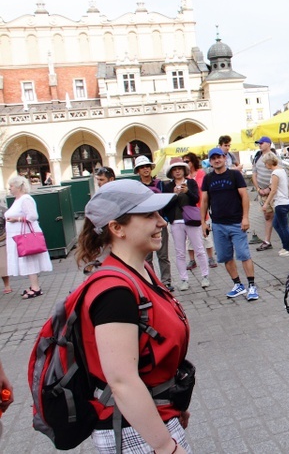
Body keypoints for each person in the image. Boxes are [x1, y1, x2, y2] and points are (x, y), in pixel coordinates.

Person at [75, 179, 191, 454]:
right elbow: (122, 382)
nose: (162, 222)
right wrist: (164, 446)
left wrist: (173, 405)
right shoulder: (115, 291)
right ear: (117, 228)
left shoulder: (140, 271)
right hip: (133, 430)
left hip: (152, 418)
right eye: (149, 215)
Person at [201, 148, 259, 301]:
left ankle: (252, 286)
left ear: (224, 157)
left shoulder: (235, 175)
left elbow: (244, 196)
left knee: (244, 254)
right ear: (210, 161)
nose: (216, 160)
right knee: (226, 256)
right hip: (218, 224)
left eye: (219, 157)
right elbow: (205, 201)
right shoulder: (208, 179)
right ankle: (238, 285)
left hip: (236, 222)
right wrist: (203, 222)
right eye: (213, 158)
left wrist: (245, 217)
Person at [162, 160, 210, 291]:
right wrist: (174, 195)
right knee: (179, 252)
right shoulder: (167, 186)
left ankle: (205, 276)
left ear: (184, 170)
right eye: (174, 169)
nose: (177, 171)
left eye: (180, 169)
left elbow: (196, 200)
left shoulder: (191, 182)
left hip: (191, 220)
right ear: (171, 172)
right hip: (176, 221)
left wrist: (187, 191)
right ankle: (184, 279)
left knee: (199, 248)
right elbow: (166, 205)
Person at [5, 176, 53, 299]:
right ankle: (33, 286)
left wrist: (17, 219)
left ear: (18, 187)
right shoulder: (18, 200)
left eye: (11, 186)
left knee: (29, 259)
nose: (9, 188)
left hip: (25, 235)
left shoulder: (26, 199)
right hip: (18, 235)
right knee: (26, 260)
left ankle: (36, 287)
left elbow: (33, 216)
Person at [133, 155, 172, 290]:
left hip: (160, 223)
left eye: (147, 166)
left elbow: (168, 203)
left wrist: (166, 219)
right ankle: (152, 282)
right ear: (138, 171)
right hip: (144, 226)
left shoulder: (160, 184)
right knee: (147, 256)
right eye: (142, 167)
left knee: (163, 255)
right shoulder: (136, 187)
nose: (145, 169)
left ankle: (166, 282)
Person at [182, 153, 218, 270]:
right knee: (189, 236)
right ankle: (192, 260)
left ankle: (210, 257)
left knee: (206, 233)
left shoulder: (201, 173)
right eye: (184, 162)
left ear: (193, 162)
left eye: (187, 161)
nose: (185, 164)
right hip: (189, 209)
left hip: (201, 207)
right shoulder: (184, 176)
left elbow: (203, 189)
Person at [259, 153, 289, 256]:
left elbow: (273, 190)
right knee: (276, 224)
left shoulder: (275, 173)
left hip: (280, 203)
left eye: (265, 163)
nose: (265, 165)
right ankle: (285, 246)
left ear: (269, 163)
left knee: (283, 226)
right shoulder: (282, 170)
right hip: (284, 202)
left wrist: (266, 203)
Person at [251, 136, 276, 251]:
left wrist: (269, 189)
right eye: (258, 143)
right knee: (267, 216)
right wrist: (258, 189)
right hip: (262, 192)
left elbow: (280, 173)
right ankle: (267, 241)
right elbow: (254, 174)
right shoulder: (257, 157)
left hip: (274, 192)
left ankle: (287, 242)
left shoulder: (274, 156)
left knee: (279, 218)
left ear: (269, 144)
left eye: (262, 143)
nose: (259, 145)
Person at [0, 200, 11, 294]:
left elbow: (8, 225)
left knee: (3, 265)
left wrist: (5, 235)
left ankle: (7, 285)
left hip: (2, 240)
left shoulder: (3, 211)